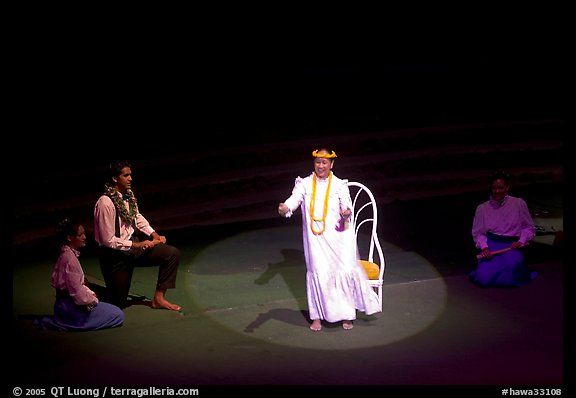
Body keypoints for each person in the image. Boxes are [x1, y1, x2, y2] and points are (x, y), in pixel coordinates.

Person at [278, 148, 381, 331]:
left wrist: (347, 212)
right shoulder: (305, 184)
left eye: (325, 162)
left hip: (339, 239)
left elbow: (346, 206)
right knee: (317, 271)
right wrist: (285, 208)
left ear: (331, 164)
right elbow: (293, 200)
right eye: (318, 162)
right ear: (314, 163)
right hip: (316, 239)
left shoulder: (340, 185)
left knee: (342, 271)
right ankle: (316, 316)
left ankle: (347, 315)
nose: (321, 166)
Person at [94, 160, 181, 311]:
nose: (130, 179)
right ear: (115, 178)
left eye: (131, 175)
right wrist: (137, 245)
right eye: (126, 175)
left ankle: (159, 299)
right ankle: (87, 287)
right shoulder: (105, 203)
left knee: (171, 254)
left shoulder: (128, 196)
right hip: (114, 256)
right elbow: (107, 240)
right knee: (117, 303)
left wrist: (154, 235)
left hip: (133, 249)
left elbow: (137, 217)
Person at [35, 219, 125, 331]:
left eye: (84, 233)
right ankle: (73, 322)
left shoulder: (65, 254)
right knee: (117, 315)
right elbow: (76, 292)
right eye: (80, 235)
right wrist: (92, 299)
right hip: (70, 308)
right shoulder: (69, 259)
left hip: (62, 305)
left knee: (110, 307)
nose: (84, 237)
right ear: (69, 238)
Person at [470, 170, 537, 287]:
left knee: (510, 271)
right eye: (494, 188)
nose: (497, 191)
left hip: (511, 246)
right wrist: (484, 247)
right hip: (491, 245)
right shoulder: (482, 208)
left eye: (500, 188)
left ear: (507, 187)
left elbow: (528, 227)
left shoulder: (518, 203)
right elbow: (479, 232)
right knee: (483, 279)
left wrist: (521, 241)